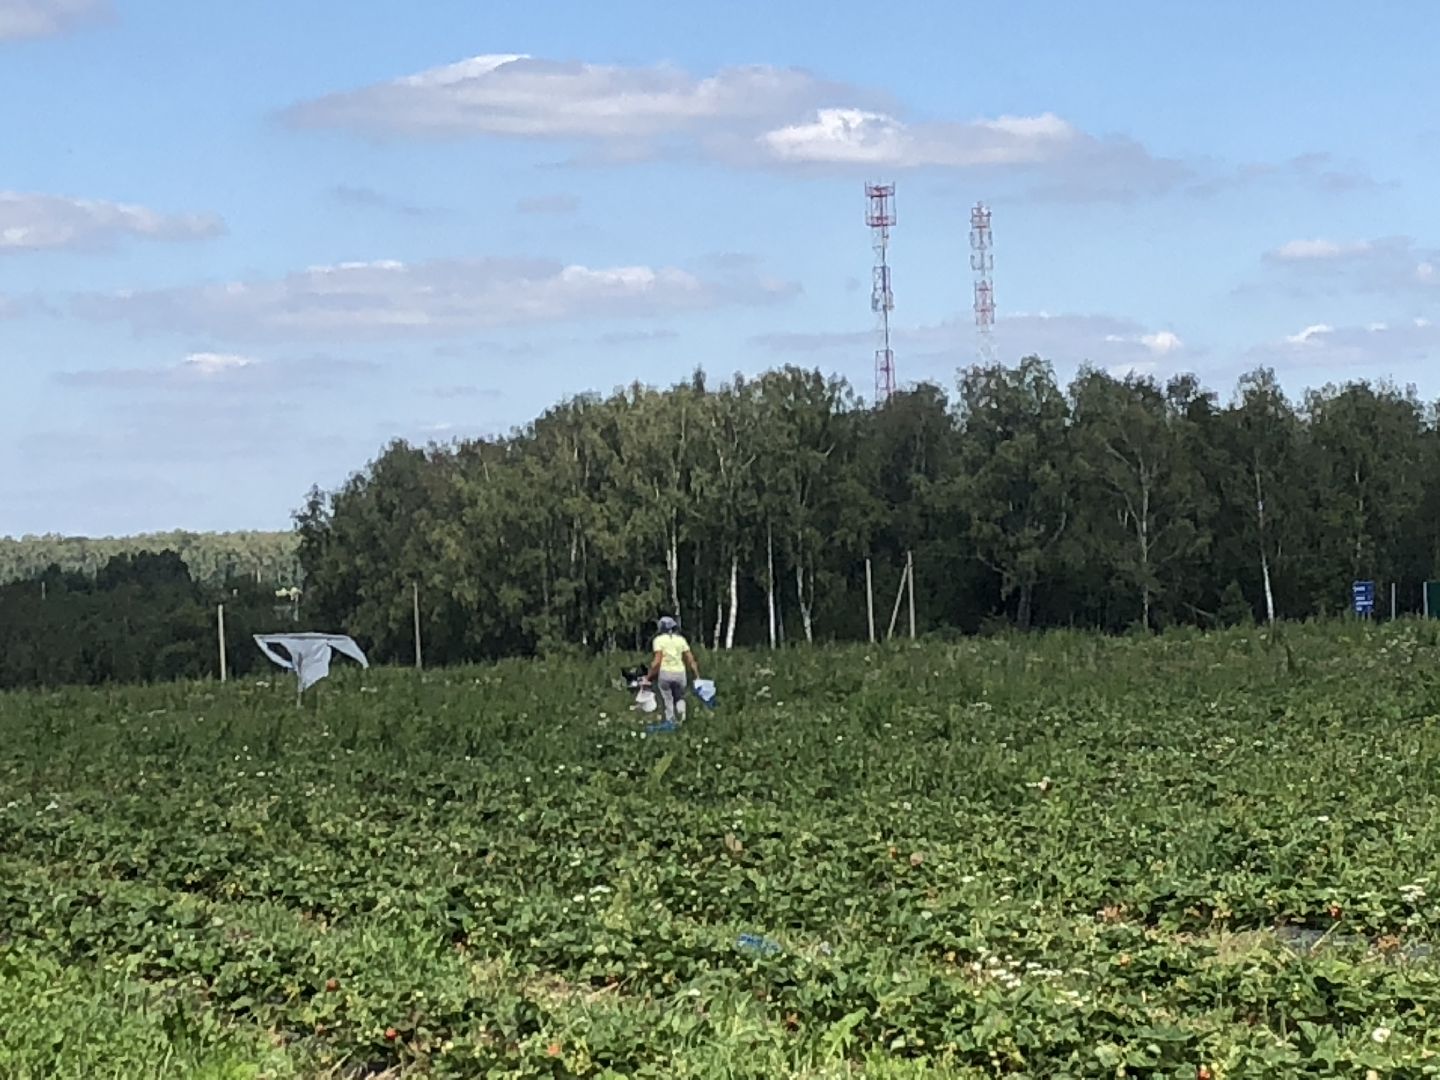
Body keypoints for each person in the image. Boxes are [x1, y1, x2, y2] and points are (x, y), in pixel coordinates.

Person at [644, 616, 700, 726]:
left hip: (665, 673)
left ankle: (671, 721)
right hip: (680, 673)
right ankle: (682, 718)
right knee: (679, 696)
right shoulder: (681, 640)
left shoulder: (658, 640)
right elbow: (690, 659)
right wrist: (697, 675)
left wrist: (649, 676)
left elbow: (657, 661)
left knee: (668, 698)